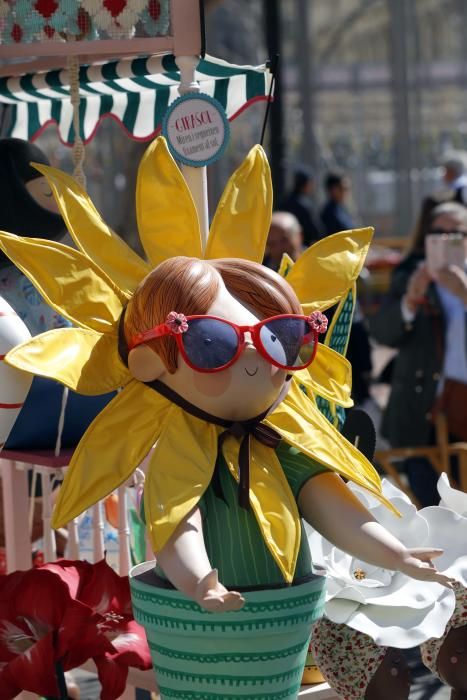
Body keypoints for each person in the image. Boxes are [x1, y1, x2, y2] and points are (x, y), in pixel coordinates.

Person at [1, 137, 454, 698]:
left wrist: (397, 553)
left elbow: (332, 505)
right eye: (213, 345)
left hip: (284, 615)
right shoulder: (179, 451)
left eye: (282, 337)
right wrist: (198, 581)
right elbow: (176, 525)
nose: (256, 357)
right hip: (197, 624)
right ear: (146, 362)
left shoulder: (281, 442)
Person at [0, 138, 113, 450]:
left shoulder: (37, 269)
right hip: (45, 404)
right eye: (49, 193)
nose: (57, 200)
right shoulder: (38, 274)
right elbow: (65, 338)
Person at [370, 201, 467, 506]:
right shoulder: (412, 274)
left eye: (457, 233)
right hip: (423, 411)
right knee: (434, 510)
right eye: (437, 232)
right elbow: (384, 333)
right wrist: (410, 301)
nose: (446, 239)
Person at [279, 167, 323, 246]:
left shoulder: (284, 201)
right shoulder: (305, 205)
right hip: (302, 249)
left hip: (281, 247)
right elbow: (316, 232)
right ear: (306, 184)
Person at [320, 170, 355, 236]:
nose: (347, 192)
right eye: (344, 188)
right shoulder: (329, 213)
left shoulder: (341, 209)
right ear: (334, 189)